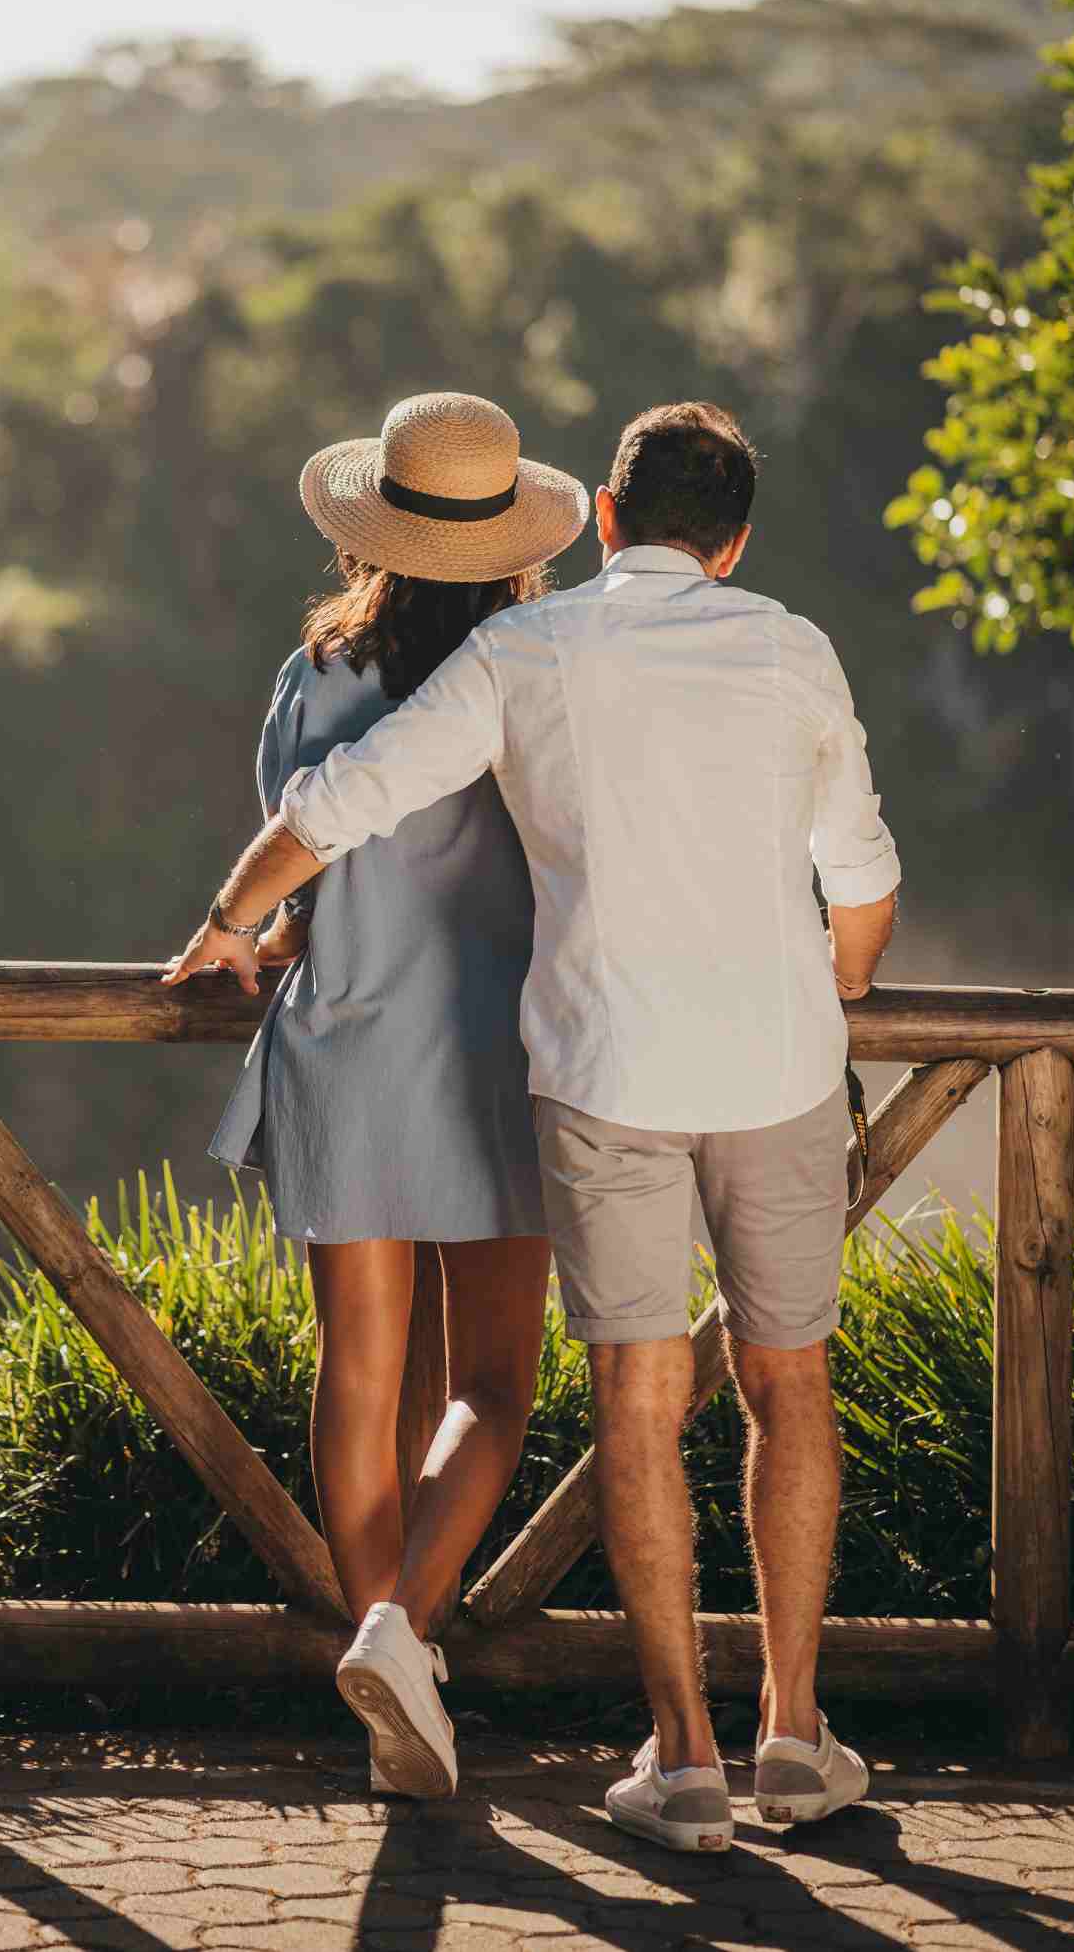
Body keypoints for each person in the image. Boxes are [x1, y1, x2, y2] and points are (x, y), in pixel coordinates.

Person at [164, 400, 900, 1850]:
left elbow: (327, 810)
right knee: (759, 1387)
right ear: (731, 539)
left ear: (611, 521)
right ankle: (791, 1737)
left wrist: (226, 923)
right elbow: (859, 876)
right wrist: (832, 992)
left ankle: (634, 1744)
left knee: (554, 1395)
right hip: (682, 1062)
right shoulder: (779, 647)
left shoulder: (498, 661)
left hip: (526, 1063)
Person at [182, 391, 589, 1799]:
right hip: (505, 1056)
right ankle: (401, 1641)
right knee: (491, 1383)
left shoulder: (318, 674)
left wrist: (248, 931)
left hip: (347, 1043)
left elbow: (299, 849)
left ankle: (385, 1697)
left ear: (379, 529)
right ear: (512, 537)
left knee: (356, 1377)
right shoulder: (546, 668)